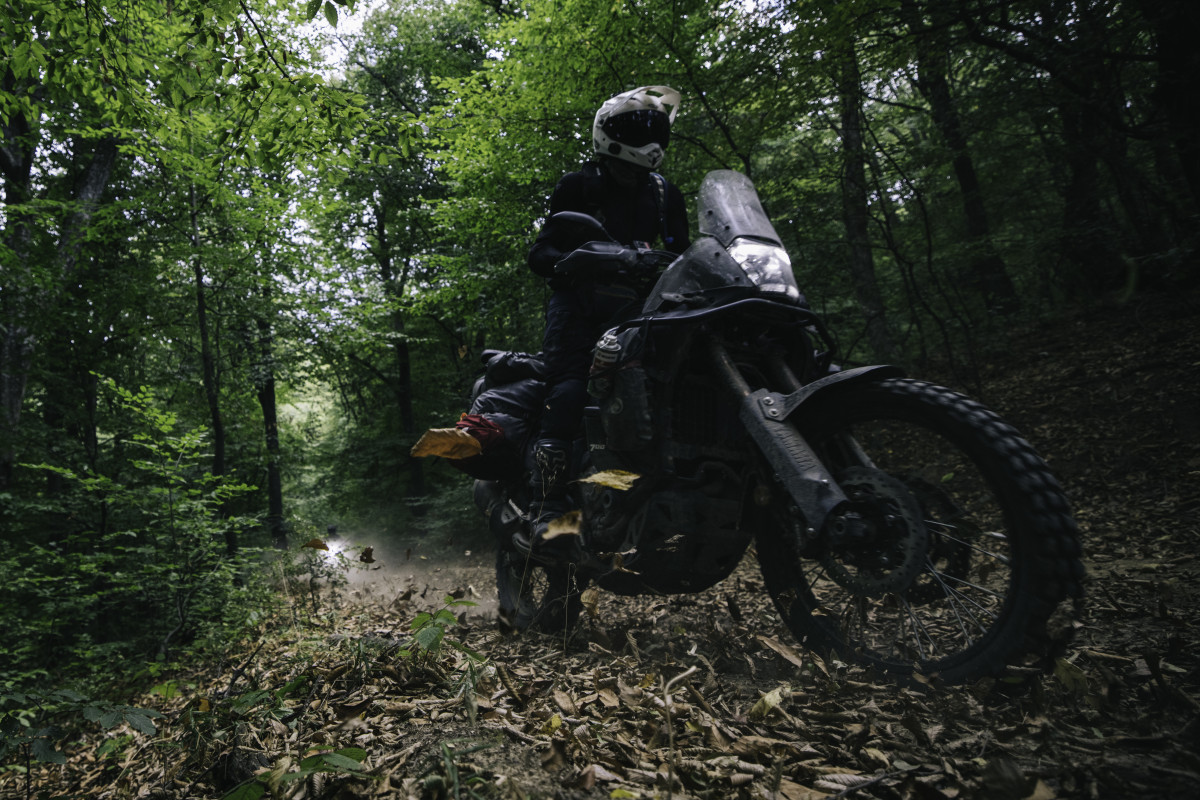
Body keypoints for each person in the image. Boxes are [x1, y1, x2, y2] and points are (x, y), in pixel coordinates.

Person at [516, 85, 691, 560]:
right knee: (569, 392)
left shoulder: (663, 193)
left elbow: (684, 251)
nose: (650, 138)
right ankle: (548, 509)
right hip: (580, 310)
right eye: (639, 127)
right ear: (608, 133)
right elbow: (542, 252)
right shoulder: (579, 185)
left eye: (656, 128)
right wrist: (584, 259)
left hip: (643, 313)